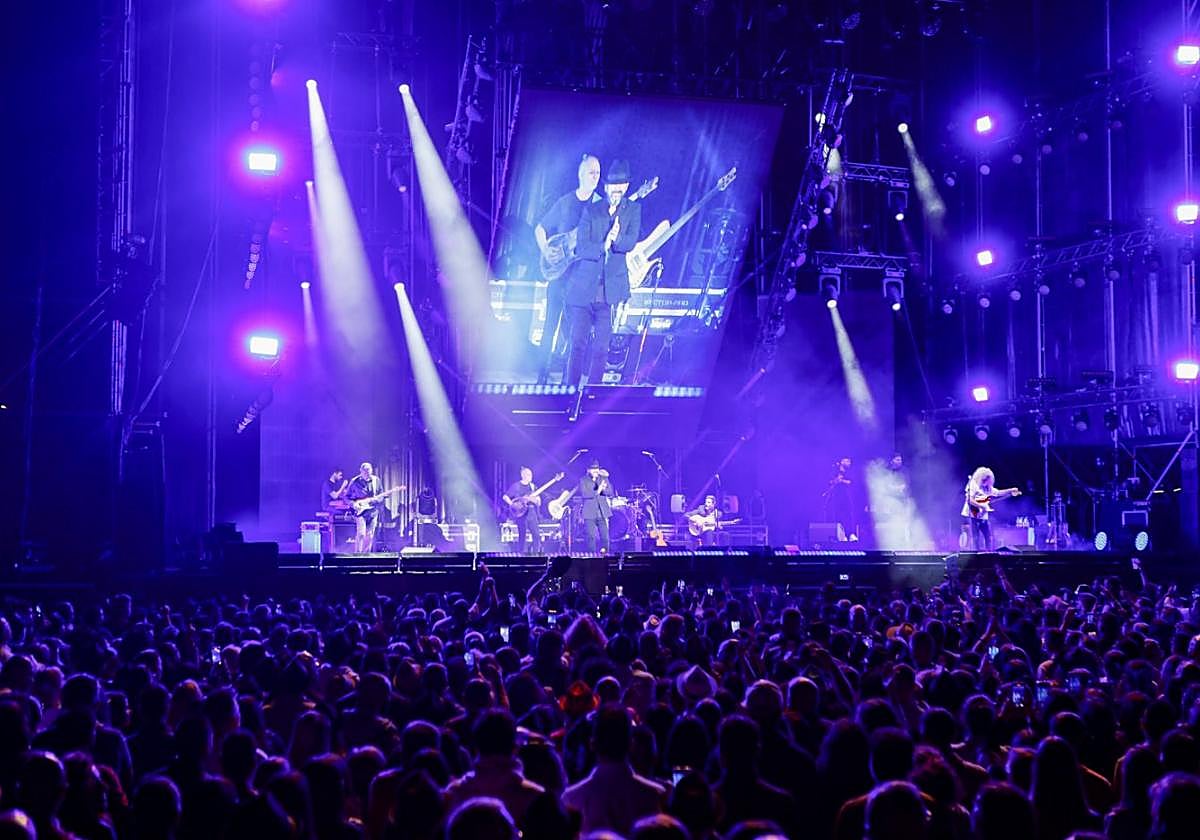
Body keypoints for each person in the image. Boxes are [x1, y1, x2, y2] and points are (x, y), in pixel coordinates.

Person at [562, 158, 642, 385]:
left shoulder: (633, 210)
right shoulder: (592, 210)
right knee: (577, 345)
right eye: (613, 185)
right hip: (584, 290)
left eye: (622, 185)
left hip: (608, 295)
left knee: (601, 349)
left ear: (627, 187)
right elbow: (582, 247)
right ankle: (570, 390)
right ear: (606, 187)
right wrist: (603, 245)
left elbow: (630, 242)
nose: (617, 190)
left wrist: (616, 239)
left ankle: (593, 392)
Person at [534, 154, 603, 383]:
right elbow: (540, 229)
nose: (596, 176)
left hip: (581, 281)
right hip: (559, 277)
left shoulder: (600, 207)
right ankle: (541, 377)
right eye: (592, 172)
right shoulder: (565, 203)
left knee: (575, 335)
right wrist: (546, 250)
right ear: (581, 174)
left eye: (598, 173)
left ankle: (568, 381)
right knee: (549, 327)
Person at [960, 466, 1021, 551]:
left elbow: (998, 493)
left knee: (988, 536)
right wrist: (982, 506)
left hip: (982, 515)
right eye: (984, 480)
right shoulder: (973, 484)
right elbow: (969, 500)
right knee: (976, 537)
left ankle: (989, 554)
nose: (986, 483)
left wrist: (1011, 491)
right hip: (972, 514)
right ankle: (975, 555)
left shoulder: (988, 488)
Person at [503, 467, 543, 555]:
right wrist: (513, 504)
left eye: (531, 474)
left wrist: (534, 500)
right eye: (529, 475)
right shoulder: (516, 486)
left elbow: (539, 502)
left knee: (536, 534)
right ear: (523, 475)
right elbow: (505, 496)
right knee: (522, 535)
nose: (531, 476)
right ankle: (521, 555)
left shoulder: (533, 486)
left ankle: (536, 555)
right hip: (521, 513)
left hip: (532, 513)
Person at [346, 462, 384, 553]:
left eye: (369, 470)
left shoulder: (376, 480)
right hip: (360, 512)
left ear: (372, 470)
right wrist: (353, 504)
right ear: (361, 471)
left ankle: (366, 556)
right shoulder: (354, 481)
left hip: (373, 511)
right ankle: (358, 555)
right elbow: (346, 497)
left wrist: (376, 500)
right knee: (361, 534)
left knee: (370, 535)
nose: (367, 473)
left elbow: (381, 495)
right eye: (365, 471)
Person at [578, 460, 614, 553]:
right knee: (591, 537)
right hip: (589, 512)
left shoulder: (603, 479)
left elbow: (610, 492)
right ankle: (592, 556)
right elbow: (585, 494)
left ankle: (605, 555)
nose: (595, 470)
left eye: (597, 468)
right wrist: (598, 490)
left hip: (602, 512)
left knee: (605, 537)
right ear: (588, 470)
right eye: (593, 468)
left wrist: (604, 489)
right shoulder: (583, 480)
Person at [823, 457, 859, 541]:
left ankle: (851, 533)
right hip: (836, 497)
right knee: (837, 515)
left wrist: (842, 481)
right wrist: (835, 480)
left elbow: (852, 482)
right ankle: (841, 535)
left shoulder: (851, 472)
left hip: (848, 496)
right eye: (847, 461)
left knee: (849, 514)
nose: (849, 463)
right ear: (841, 462)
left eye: (850, 461)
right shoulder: (834, 471)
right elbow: (830, 482)